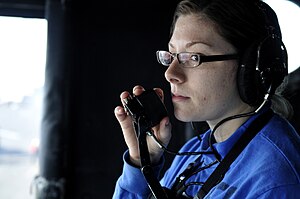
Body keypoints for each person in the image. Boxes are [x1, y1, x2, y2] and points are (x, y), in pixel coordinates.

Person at [112, 0, 300, 198]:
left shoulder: (277, 182)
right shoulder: (195, 152)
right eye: (172, 55)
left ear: (251, 65)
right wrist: (142, 161)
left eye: (193, 57)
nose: (170, 73)